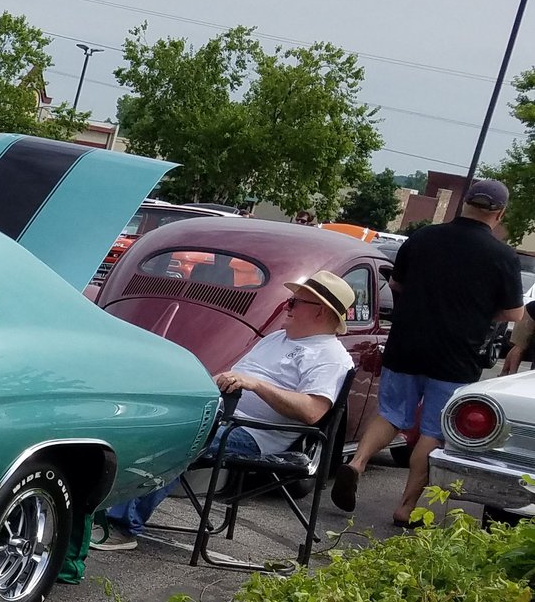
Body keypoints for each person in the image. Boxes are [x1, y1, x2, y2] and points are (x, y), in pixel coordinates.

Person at [92, 272, 357, 551]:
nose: (286, 307)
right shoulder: (278, 338)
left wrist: (257, 385)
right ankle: (94, 509)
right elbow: (238, 377)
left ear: (321, 313)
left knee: (178, 438)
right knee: (146, 419)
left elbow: (313, 411)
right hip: (223, 414)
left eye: (294, 303)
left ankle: (121, 526)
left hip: (253, 433)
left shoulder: (330, 357)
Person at [332, 178, 524, 525]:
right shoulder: (502, 256)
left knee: (391, 413)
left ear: (463, 203)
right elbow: (513, 314)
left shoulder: (422, 238)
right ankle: (406, 508)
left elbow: (396, 283)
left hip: (406, 344)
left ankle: (356, 462)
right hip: (456, 357)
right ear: (500, 212)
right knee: (434, 431)